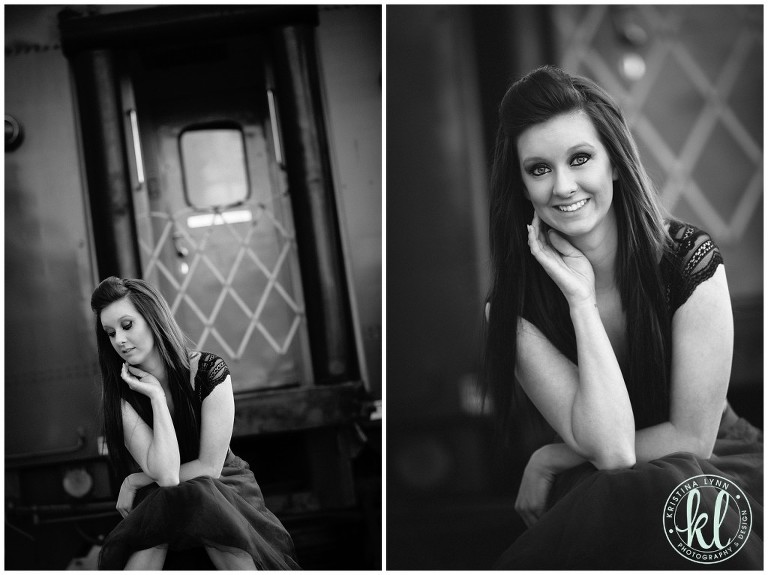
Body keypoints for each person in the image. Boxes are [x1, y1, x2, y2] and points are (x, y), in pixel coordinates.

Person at [483, 65, 762, 569]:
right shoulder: (511, 310)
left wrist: (555, 454)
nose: (563, 186)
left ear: (614, 162)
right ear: (522, 185)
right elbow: (612, 452)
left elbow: (692, 440)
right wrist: (580, 301)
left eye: (580, 158)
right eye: (539, 169)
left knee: (670, 495)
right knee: (628, 495)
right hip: (606, 475)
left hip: (717, 462)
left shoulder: (688, 261)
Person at [91, 276, 300, 570]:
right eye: (110, 333)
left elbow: (210, 468)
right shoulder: (121, 399)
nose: (119, 340)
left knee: (198, 494)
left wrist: (137, 479)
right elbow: (166, 476)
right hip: (166, 489)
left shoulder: (208, 371)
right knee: (175, 498)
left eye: (127, 326)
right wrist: (156, 398)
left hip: (224, 484)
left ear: (153, 319)